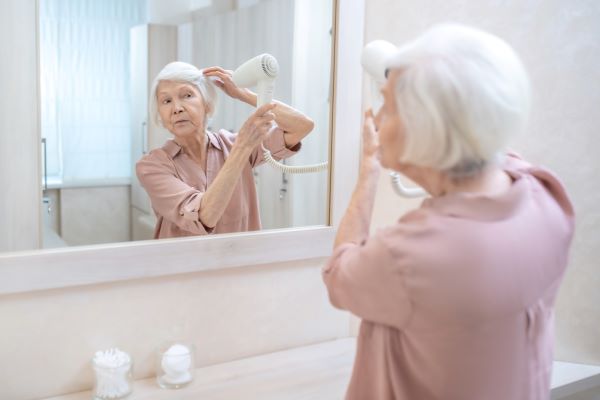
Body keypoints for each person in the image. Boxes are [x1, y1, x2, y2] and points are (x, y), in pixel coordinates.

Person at [323, 24, 575, 400]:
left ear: (423, 127)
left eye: (387, 106)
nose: (377, 119)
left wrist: (369, 169)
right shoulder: (546, 196)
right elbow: (482, 147)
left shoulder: (411, 257)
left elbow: (339, 276)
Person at [136, 62, 314, 238]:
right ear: (159, 113)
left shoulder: (231, 144)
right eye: (166, 101)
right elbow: (204, 217)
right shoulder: (152, 167)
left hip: (242, 264)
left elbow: (302, 126)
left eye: (187, 95)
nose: (177, 108)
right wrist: (242, 147)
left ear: (207, 104)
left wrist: (245, 94)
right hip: (185, 267)